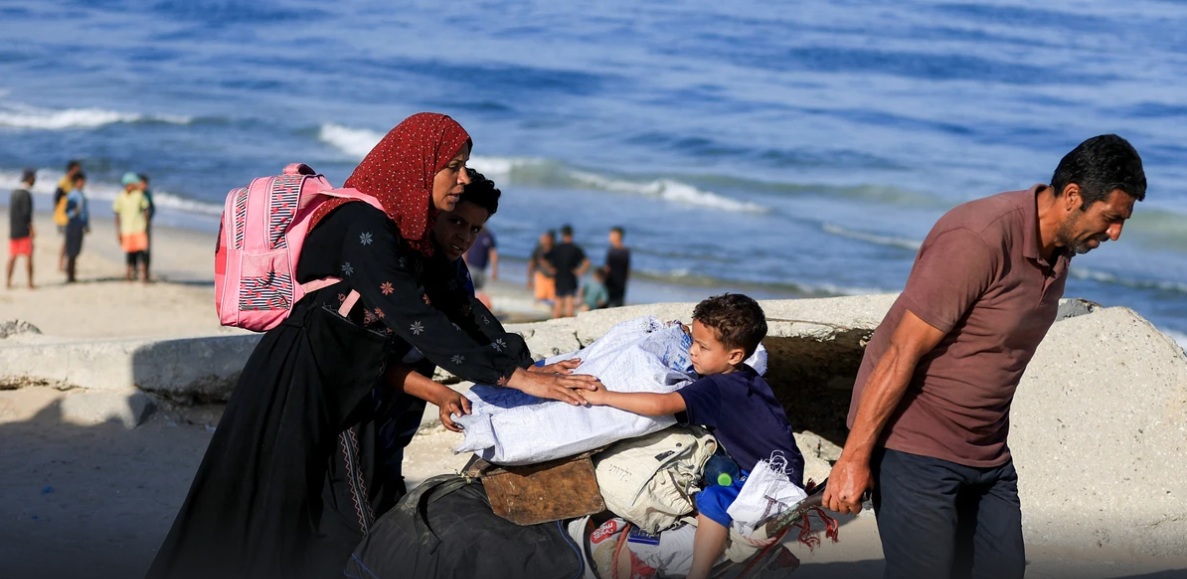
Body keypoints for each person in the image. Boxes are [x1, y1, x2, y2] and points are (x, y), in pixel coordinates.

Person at [146, 113, 598, 579]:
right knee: (275, 505)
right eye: (453, 165)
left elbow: (466, 311)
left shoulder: (413, 238)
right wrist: (510, 377)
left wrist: (527, 366)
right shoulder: (365, 224)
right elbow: (414, 316)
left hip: (349, 385)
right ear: (417, 165)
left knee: (317, 511)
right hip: (302, 377)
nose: (463, 178)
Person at [823, 135, 1147, 579]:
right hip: (915, 446)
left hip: (986, 452)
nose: (1115, 234)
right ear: (1073, 196)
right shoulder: (979, 236)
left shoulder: (1061, 250)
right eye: (1110, 218)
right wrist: (852, 459)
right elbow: (900, 350)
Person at [580, 293, 804, 579]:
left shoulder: (715, 389)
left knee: (713, 499)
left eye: (702, 346)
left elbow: (661, 405)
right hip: (786, 465)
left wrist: (605, 396)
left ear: (734, 355)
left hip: (767, 480)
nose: (693, 352)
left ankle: (699, 571)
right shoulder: (745, 375)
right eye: (693, 342)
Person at [544, 224, 589, 318]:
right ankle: (569, 322)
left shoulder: (557, 248)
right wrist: (580, 271)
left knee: (558, 301)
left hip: (559, 277)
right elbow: (587, 262)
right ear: (572, 234)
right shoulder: (575, 248)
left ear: (562, 234)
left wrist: (550, 269)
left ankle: (556, 321)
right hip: (570, 277)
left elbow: (543, 258)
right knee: (569, 301)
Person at [113, 172, 151, 283]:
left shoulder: (139, 195)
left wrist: (146, 225)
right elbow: (117, 214)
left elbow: (146, 210)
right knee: (130, 254)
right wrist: (118, 231)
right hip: (127, 230)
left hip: (139, 229)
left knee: (142, 253)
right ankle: (129, 275)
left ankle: (144, 276)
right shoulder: (121, 196)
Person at [7, 168, 36, 290]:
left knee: (13, 257)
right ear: (30, 178)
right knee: (28, 256)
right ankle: (30, 283)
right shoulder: (26, 194)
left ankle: (8, 282)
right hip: (24, 230)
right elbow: (26, 214)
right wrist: (31, 228)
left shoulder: (14, 193)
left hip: (14, 229)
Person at [53, 160, 81, 272]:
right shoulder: (64, 181)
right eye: (77, 169)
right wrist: (57, 211)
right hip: (63, 216)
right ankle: (61, 264)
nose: (79, 171)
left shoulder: (73, 182)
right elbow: (56, 197)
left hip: (71, 215)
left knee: (69, 241)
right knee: (66, 241)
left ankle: (66, 264)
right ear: (72, 169)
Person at [62, 172, 89, 284]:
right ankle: (70, 275)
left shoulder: (82, 195)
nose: (83, 183)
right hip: (73, 224)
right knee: (71, 251)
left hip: (80, 224)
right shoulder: (72, 195)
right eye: (81, 181)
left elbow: (85, 212)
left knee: (76, 250)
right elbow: (67, 211)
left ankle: (72, 274)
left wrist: (86, 225)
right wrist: (74, 213)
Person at [604, 225, 631, 307]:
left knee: (606, 305)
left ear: (617, 236)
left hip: (611, 283)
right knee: (618, 305)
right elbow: (627, 269)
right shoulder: (626, 251)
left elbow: (607, 268)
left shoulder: (612, 251)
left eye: (611, 235)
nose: (609, 237)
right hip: (621, 283)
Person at [528, 229, 556, 303]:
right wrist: (530, 280)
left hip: (553, 278)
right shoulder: (539, 249)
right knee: (540, 298)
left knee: (552, 300)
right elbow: (531, 263)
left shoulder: (556, 249)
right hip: (541, 275)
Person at [138, 173, 156, 279]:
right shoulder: (135, 195)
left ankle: (146, 272)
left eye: (145, 184)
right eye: (142, 184)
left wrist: (148, 219)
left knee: (146, 249)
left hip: (146, 226)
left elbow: (152, 209)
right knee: (135, 250)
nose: (144, 186)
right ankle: (135, 270)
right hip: (135, 226)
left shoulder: (148, 195)